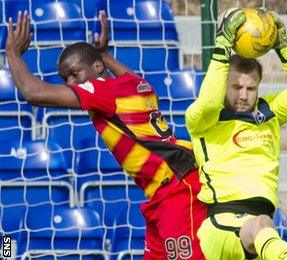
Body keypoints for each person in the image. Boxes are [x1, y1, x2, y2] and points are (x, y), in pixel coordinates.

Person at [6, 11, 207, 259]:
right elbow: (127, 76)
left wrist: (12, 54)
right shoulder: (136, 85)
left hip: (177, 188)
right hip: (163, 192)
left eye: (75, 74)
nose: (71, 84)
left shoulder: (102, 90)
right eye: (65, 79)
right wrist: (104, 55)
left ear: (97, 69)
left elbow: (33, 93)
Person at [185, 8, 287, 260]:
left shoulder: (268, 112)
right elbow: (208, 102)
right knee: (261, 224)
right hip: (222, 222)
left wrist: (284, 49)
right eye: (236, 87)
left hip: (259, 235)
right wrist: (222, 44)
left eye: (250, 88)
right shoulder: (205, 119)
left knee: (263, 224)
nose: (243, 95)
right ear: (224, 85)